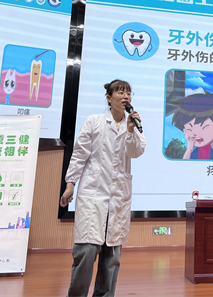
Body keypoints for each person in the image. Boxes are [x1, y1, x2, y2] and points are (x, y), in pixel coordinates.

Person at [60, 79, 146, 297]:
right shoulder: (94, 121)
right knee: (86, 253)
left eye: (128, 93)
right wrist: (70, 184)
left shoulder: (133, 124)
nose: (126, 96)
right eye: (120, 92)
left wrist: (130, 131)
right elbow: (79, 154)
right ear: (109, 98)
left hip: (118, 198)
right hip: (93, 195)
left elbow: (136, 152)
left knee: (112, 259)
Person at [171, 91, 213, 160]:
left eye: (203, 127)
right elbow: (185, 163)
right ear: (184, 131)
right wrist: (189, 149)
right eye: (189, 129)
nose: (195, 133)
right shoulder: (194, 151)